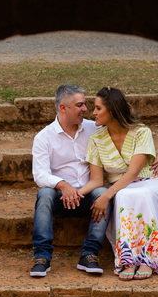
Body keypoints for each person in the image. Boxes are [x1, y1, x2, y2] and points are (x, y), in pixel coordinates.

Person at [79, 87, 158, 281]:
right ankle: (128, 260)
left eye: (98, 108)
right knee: (124, 195)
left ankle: (147, 260)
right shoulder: (96, 138)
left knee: (139, 195)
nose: (93, 112)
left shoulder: (141, 132)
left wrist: (106, 195)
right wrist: (76, 193)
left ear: (111, 110)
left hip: (149, 183)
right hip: (121, 189)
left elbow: (133, 172)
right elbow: (96, 180)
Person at [30, 84, 109, 277]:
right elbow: (39, 174)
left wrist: (151, 153)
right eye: (80, 105)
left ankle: (89, 254)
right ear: (63, 108)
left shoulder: (94, 128)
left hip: (88, 196)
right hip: (60, 198)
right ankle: (42, 257)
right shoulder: (43, 137)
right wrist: (63, 185)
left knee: (103, 193)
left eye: (85, 105)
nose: (85, 109)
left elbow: (123, 136)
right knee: (45, 193)